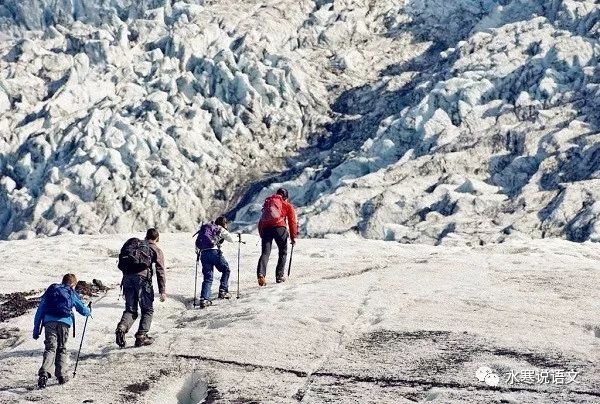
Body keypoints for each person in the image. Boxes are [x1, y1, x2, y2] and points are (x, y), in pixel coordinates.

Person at [33, 273, 91, 389]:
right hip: (64, 323)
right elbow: (83, 310)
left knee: (50, 348)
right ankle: (61, 375)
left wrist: (36, 329)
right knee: (61, 348)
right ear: (73, 284)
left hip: (49, 322)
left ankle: (44, 374)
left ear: (63, 281)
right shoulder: (71, 292)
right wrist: (89, 310)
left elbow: (40, 310)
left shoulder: (52, 291)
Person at [115, 228, 166, 348]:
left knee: (130, 309)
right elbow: (160, 271)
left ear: (146, 236)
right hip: (143, 280)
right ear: (157, 238)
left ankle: (122, 328)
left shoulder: (136, 246)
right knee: (147, 309)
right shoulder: (155, 249)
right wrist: (162, 291)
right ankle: (141, 337)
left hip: (127, 278)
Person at [256, 188, 298, 286]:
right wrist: (293, 237)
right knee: (283, 252)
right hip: (279, 228)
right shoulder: (286, 205)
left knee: (265, 253)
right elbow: (292, 222)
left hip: (266, 229)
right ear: (284, 196)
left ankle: (261, 274)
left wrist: (262, 234)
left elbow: (261, 221)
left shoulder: (268, 203)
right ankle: (279, 276)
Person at [195, 216, 234, 308]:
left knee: (208, 277)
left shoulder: (205, 229)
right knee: (226, 269)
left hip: (203, 254)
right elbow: (231, 239)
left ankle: (204, 299)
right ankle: (223, 291)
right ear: (223, 223)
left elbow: (197, 245)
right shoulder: (219, 228)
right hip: (214, 252)